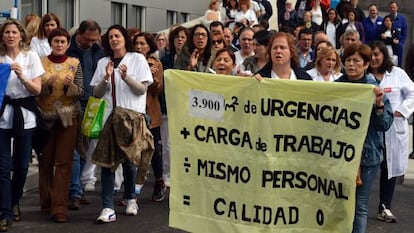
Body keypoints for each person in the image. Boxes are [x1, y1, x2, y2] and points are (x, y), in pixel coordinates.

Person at [91, 24, 153, 223]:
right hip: (110, 117)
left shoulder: (137, 59)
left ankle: (130, 198)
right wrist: (107, 78)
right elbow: (97, 93)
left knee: (129, 161)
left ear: (125, 38)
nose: (114, 40)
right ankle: (108, 207)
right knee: (107, 163)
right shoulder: (103, 62)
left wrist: (126, 77)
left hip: (132, 117)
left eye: (117, 36)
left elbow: (142, 90)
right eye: (110, 37)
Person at [336, 43, 394, 233]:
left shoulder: (374, 90)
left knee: (359, 207)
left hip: (366, 157)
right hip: (338, 154)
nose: (351, 64)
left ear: (366, 64)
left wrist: (378, 105)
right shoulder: (335, 87)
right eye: (347, 60)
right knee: (337, 205)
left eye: (356, 61)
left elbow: (384, 125)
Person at [0, 19, 44, 232]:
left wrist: (22, 76)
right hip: (2, 116)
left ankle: (15, 200)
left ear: (21, 35)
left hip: (25, 116)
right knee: (2, 166)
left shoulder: (31, 56)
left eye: (14, 32)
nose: (10, 36)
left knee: (21, 165)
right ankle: (5, 212)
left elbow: (37, 90)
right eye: (6, 32)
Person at [36, 28, 84, 223]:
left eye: (63, 41)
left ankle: (60, 207)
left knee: (64, 163)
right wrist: (47, 84)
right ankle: (46, 201)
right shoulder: (40, 63)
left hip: (68, 117)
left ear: (68, 44)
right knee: (45, 161)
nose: (59, 44)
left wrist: (68, 86)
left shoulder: (74, 64)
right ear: (51, 43)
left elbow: (80, 91)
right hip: (45, 118)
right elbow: (35, 90)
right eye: (56, 41)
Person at [367, 40, 414, 223]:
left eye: (377, 54)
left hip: (393, 128)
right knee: (367, 167)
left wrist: (401, 110)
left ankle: (385, 206)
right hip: (371, 129)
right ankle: (359, 204)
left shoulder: (397, 74)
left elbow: (412, 93)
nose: (373, 58)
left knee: (389, 168)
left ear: (383, 55)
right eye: (370, 55)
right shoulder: (364, 75)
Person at [67, 20, 104, 210]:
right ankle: (74, 191)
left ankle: (78, 188)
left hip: (93, 104)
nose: (91, 43)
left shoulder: (98, 51)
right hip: (73, 105)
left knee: (84, 150)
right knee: (74, 150)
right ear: (79, 34)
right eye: (88, 39)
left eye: (94, 39)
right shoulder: (69, 49)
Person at [133, 32, 165, 202]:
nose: (139, 47)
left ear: (149, 46)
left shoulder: (156, 64)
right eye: (137, 43)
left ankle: (159, 181)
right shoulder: (129, 62)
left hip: (150, 111)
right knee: (134, 151)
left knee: (153, 151)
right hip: (133, 112)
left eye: (142, 44)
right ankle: (133, 189)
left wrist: (152, 77)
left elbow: (157, 91)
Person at [159, 26, 188, 187]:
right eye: (177, 37)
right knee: (168, 144)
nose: (180, 40)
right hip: (168, 106)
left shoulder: (191, 59)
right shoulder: (165, 60)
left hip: (186, 107)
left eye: (183, 37)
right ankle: (167, 173)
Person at [387, 1, 407, 66]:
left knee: (398, 64)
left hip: (398, 46)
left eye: (394, 7)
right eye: (391, 7)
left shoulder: (402, 19)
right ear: (389, 8)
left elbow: (404, 33)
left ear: (397, 8)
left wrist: (401, 43)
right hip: (389, 46)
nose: (392, 9)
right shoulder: (387, 18)